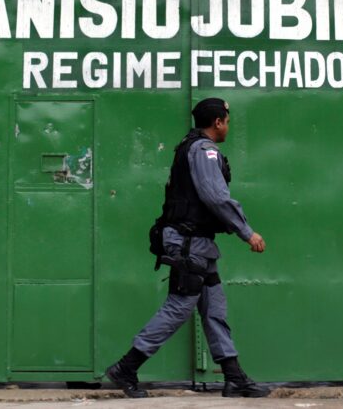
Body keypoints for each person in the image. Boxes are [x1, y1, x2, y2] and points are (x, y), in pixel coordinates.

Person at [105, 98, 269, 399]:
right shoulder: (204, 150)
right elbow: (216, 197)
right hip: (188, 243)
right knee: (180, 306)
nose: (228, 126)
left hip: (199, 244)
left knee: (214, 307)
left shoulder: (190, 146)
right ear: (218, 122)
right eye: (227, 121)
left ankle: (234, 378)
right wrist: (247, 232)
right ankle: (126, 367)